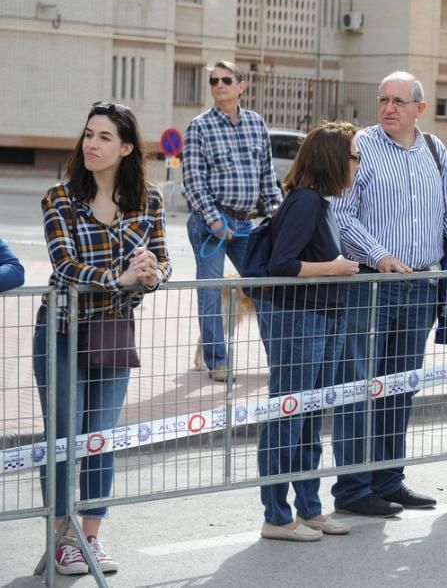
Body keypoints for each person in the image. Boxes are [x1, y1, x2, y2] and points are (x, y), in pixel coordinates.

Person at [329, 71, 447, 517]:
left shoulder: (434, 149)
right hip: (372, 286)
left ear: (419, 108)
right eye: (382, 99)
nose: (388, 107)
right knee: (360, 385)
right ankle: (354, 488)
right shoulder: (360, 147)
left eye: (398, 100)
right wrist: (378, 256)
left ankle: (389, 479)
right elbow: (342, 215)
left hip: (422, 285)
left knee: (401, 386)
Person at [33, 102, 170, 574]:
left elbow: (163, 260)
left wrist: (151, 274)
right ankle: (60, 537)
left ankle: (90, 538)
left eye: (104, 137)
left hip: (112, 332)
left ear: (127, 147)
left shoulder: (149, 199)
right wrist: (123, 276)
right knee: (63, 438)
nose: (91, 144)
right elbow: (64, 266)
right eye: (88, 134)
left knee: (99, 439)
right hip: (62, 331)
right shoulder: (59, 197)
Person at [257, 122, 361, 541]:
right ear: (333, 160)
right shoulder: (305, 202)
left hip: (324, 319)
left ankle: (310, 509)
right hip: (301, 320)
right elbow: (281, 265)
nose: (358, 164)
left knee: (311, 417)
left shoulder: (320, 203)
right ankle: (276, 516)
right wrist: (334, 267)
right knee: (288, 415)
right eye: (353, 156)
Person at [182, 60, 283, 382]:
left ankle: (279, 360)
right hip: (210, 224)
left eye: (226, 80)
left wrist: (279, 214)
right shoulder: (199, 126)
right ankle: (218, 361)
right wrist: (213, 220)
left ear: (241, 86)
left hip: (246, 225)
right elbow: (193, 180)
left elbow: (267, 177)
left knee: (263, 289)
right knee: (211, 293)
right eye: (214, 81)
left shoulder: (256, 124)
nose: (219, 85)